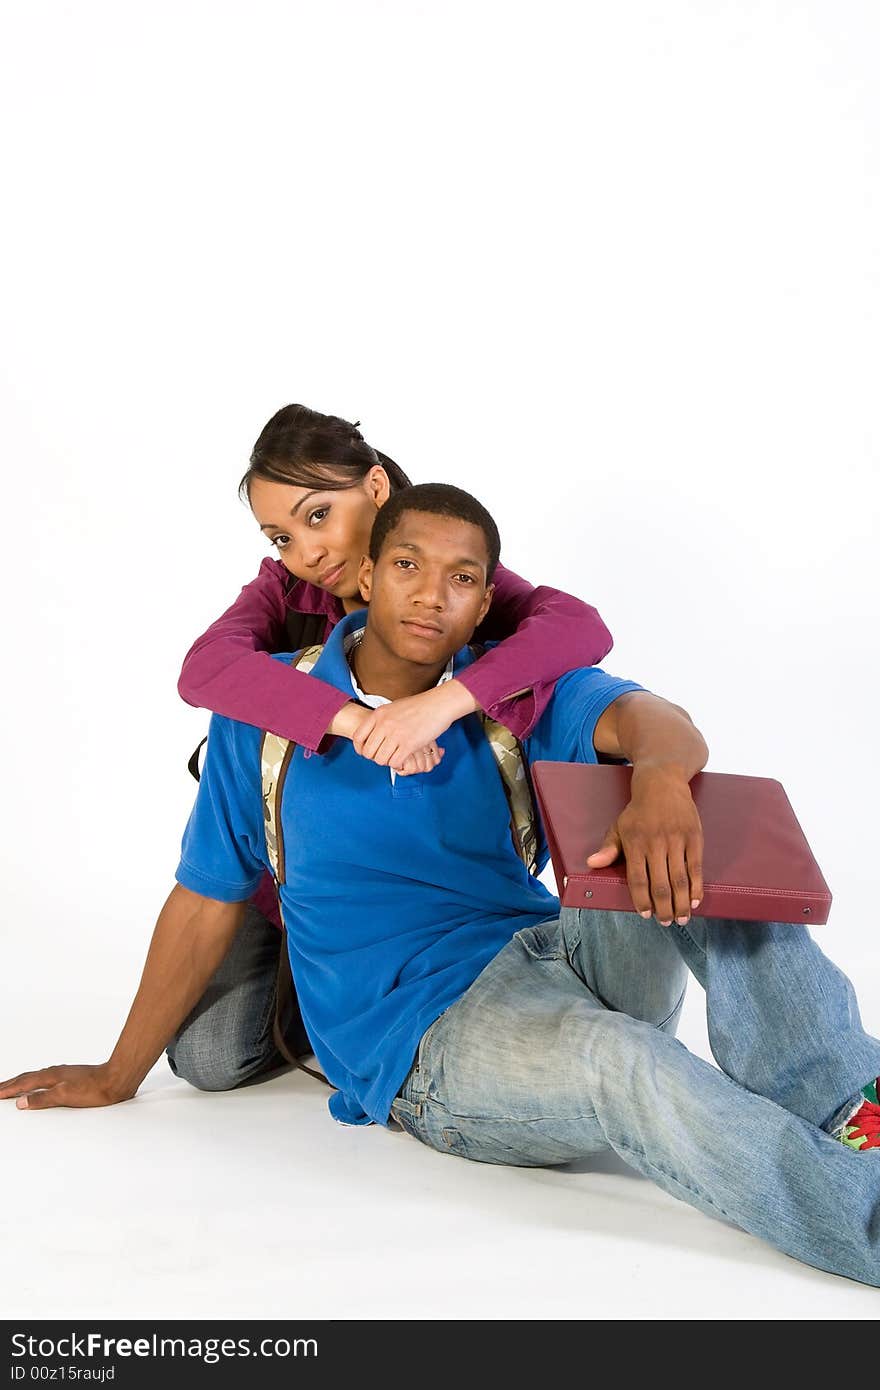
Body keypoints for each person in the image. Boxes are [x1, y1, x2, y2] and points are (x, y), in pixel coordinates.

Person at [3, 484, 879, 1289]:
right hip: (425, 1035)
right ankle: (865, 1224)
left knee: (695, 843)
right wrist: (121, 1074)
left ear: (484, 601)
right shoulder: (270, 711)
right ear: (368, 574)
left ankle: (851, 1103)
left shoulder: (505, 693)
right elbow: (203, 900)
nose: (431, 594)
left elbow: (659, 724)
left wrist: (656, 785)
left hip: (551, 957)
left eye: (461, 578)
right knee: (630, 1062)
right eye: (410, 567)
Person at [169, 401, 616, 1072]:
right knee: (209, 1059)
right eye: (280, 536)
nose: (307, 552)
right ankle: (339, 1002)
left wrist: (442, 706)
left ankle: (391, 1009)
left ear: (375, 487)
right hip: (301, 883)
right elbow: (205, 668)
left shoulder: (444, 569)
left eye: (318, 514)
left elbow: (581, 628)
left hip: (439, 879)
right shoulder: (286, 591)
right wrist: (353, 719)